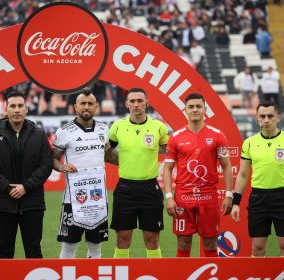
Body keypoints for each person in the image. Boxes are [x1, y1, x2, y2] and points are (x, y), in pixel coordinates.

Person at [0, 92, 53, 258]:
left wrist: (26, 187)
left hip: (32, 202)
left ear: (26, 109)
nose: (17, 110)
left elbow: (46, 164)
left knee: (33, 250)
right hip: (3, 203)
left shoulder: (39, 134)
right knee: (4, 251)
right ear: (6, 110)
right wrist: (8, 188)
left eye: (20, 106)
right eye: (13, 106)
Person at [163, 93, 233, 257]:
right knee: (183, 242)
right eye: (191, 107)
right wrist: (168, 197)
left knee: (210, 244)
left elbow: (227, 166)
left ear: (205, 109)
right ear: (185, 110)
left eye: (198, 106)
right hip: (183, 198)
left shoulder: (217, 135)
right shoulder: (175, 137)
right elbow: (167, 169)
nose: (195, 110)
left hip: (208, 197)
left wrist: (229, 194)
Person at [53, 88, 118, 258]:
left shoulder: (104, 129)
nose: (86, 107)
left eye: (90, 104)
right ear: (76, 106)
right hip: (73, 199)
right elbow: (53, 159)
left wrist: (136, 158)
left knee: (96, 246)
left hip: (98, 198)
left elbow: (108, 155)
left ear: (96, 106)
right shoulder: (64, 131)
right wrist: (61, 167)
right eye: (83, 103)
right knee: (68, 246)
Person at [108, 88, 168, 258]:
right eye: (132, 101)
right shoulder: (118, 126)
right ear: (126, 104)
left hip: (150, 188)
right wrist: (124, 161)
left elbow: (168, 151)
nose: (136, 105)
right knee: (122, 238)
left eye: (140, 101)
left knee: (152, 239)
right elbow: (106, 151)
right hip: (125, 189)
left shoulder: (158, 127)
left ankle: (156, 275)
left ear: (146, 103)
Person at [231, 101, 284, 257]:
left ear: (278, 118)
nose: (266, 120)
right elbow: (243, 175)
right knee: (257, 248)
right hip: (258, 198)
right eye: (262, 116)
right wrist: (236, 203)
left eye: (270, 116)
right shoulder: (249, 143)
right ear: (256, 119)